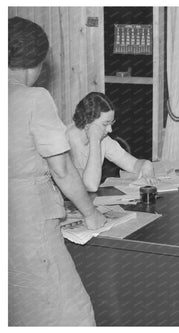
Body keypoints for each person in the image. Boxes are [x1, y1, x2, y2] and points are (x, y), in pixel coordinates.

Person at [9, 16, 106, 325]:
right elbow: (62, 169)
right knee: (68, 311)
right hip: (28, 222)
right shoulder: (33, 97)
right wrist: (91, 214)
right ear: (34, 63)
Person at [66, 92, 156, 192]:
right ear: (88, 122)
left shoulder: (104, 140)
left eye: (111, 123)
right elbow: (90, 185)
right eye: (105, 124)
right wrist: (94, 139)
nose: (110, 130)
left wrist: (147, 170)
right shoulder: (66, 140)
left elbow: (134, 164)